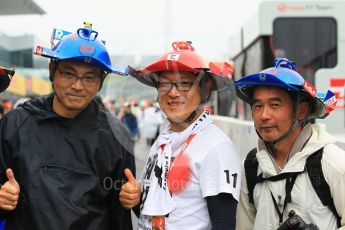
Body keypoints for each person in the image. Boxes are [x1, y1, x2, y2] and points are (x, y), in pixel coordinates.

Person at [0, 23, 135, 230]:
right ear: (52, 70)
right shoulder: (15, 124)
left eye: (89, 77)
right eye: (69, 74)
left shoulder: (117, 135)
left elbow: (119, 212)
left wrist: (134, 196)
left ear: (101, 80)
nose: (78, 86)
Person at [120, 41, 241, 230]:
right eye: (164, 84)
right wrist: (136, 199)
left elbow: (224, 224)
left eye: (184, 84)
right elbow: (152, 217)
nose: (173, 93)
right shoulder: (164, 140)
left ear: (205, 88)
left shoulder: (217, 147)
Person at [234, 58, 345, 230]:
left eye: (275, 105)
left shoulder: (332, 162)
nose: (264, 115)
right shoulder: (249, 168)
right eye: (257, 106)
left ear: (301, 111)